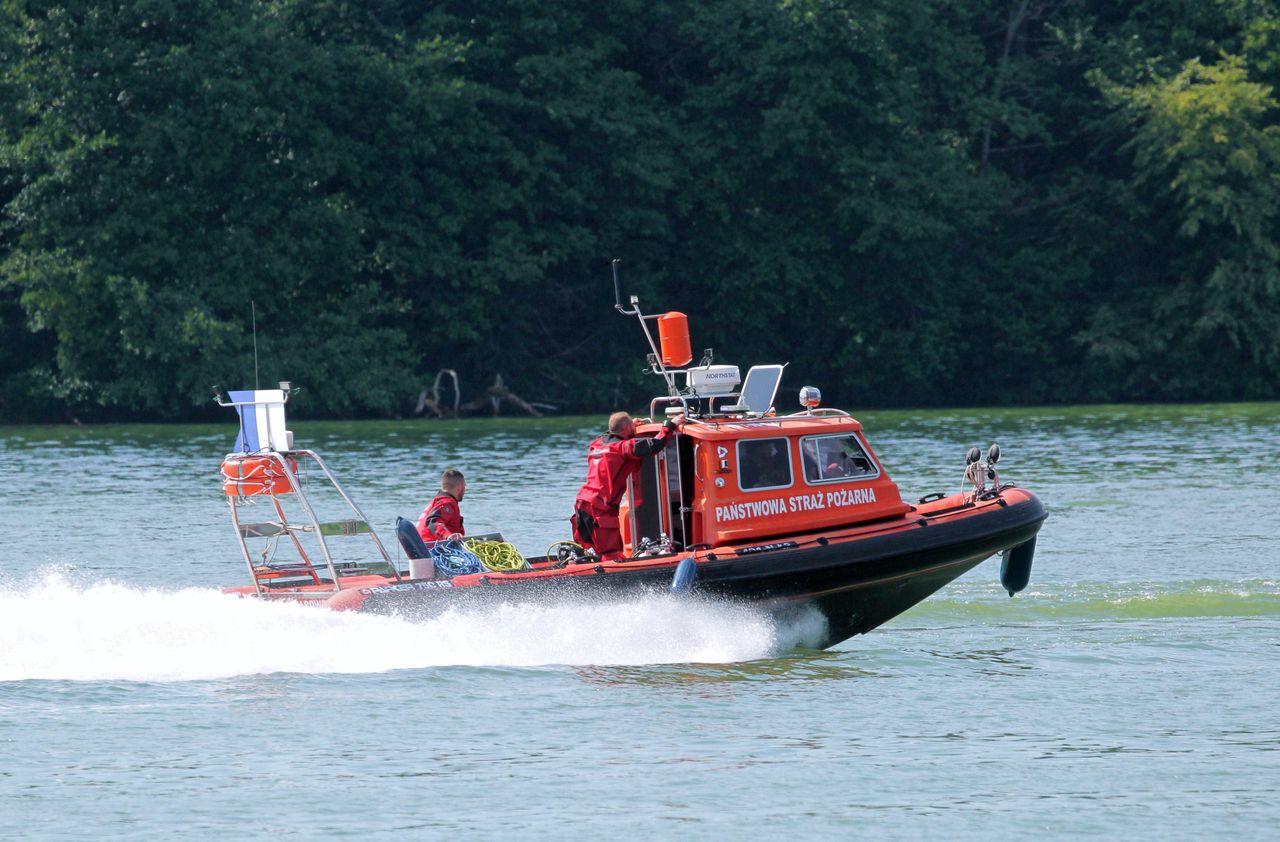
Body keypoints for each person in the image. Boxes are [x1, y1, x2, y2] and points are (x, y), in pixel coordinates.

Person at [572, 411, 683, 561]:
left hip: (582, 502)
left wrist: (628, 426)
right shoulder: (623, 447)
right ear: (626, 429)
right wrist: (671, 424)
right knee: (610, 553)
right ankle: (615, 580)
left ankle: (580, 575)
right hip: (600, 507)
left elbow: (611, 433)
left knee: (587, 552)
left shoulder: (596, 444)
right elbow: (655, 445)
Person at [417, 469, 466, 543]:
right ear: (459, 487)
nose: (465, 489)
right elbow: (433, 522)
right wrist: (448, 535)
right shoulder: (447, 502)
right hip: (432, 549)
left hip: (422, 546)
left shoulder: (438, 501)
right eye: (464, 486)